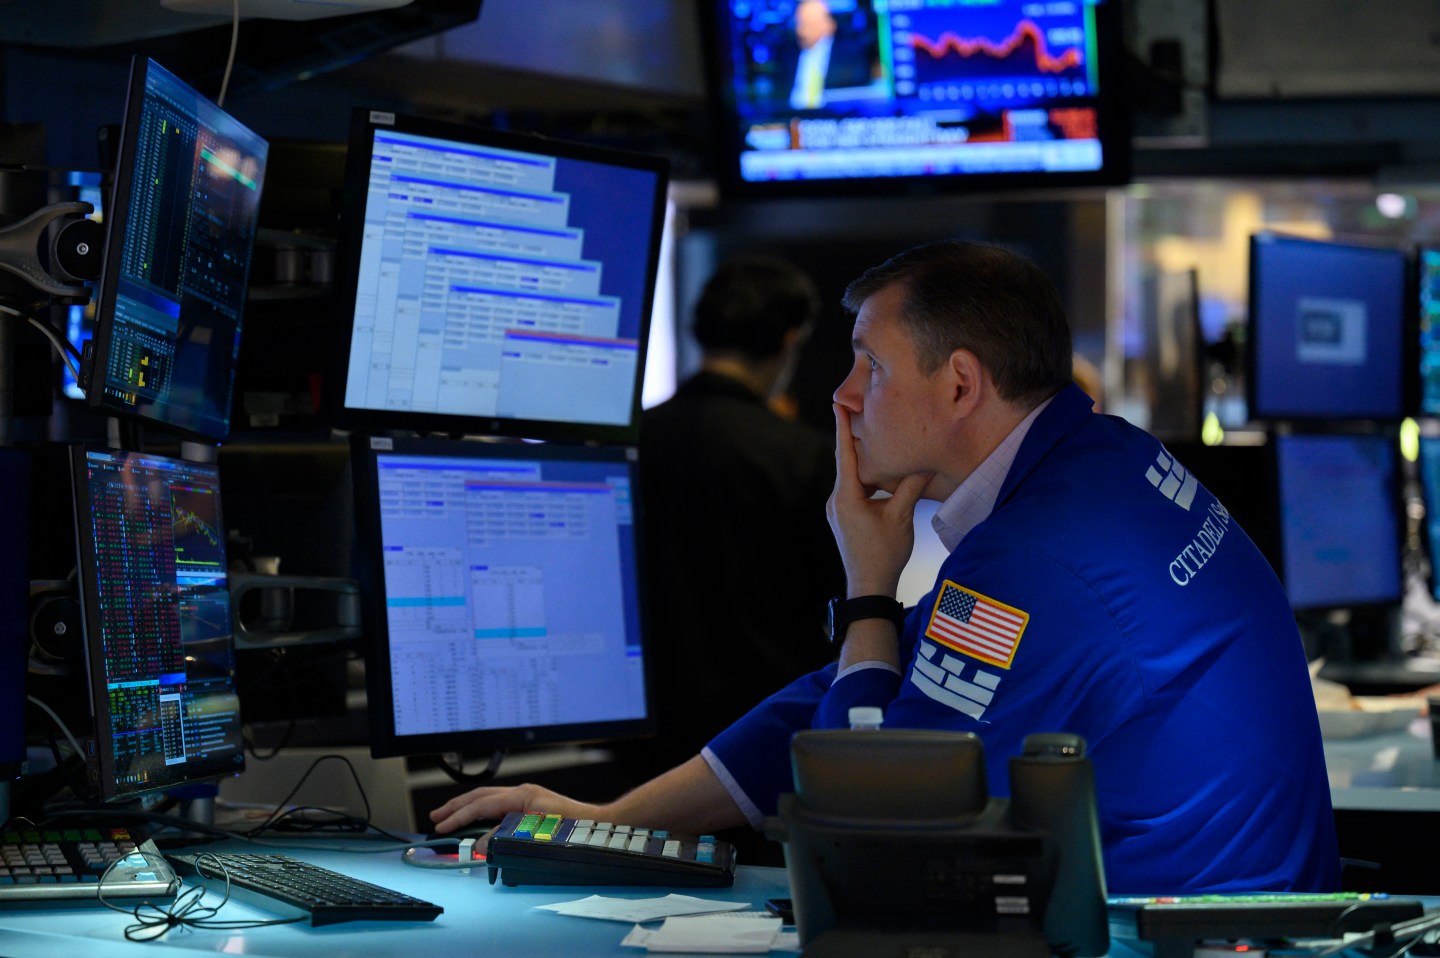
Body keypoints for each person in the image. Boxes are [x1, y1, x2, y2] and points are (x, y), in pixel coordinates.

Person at [430, 240, 1340, 896]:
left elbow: (864, 818)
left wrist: (869, 585)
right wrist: (605, 820)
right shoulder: (1107, 460)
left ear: (960, 384)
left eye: (870, 365)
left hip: (1163, 929)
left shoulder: (1033, 556)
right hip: (1236, 911)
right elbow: (867, 685)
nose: (843, 395)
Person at [613, 255, 843, 782]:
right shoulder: (802, 456)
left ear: (700, 329)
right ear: (789, 340)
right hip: (761, 736)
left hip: (640, 737)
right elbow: (837, 599)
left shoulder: (630, 442)